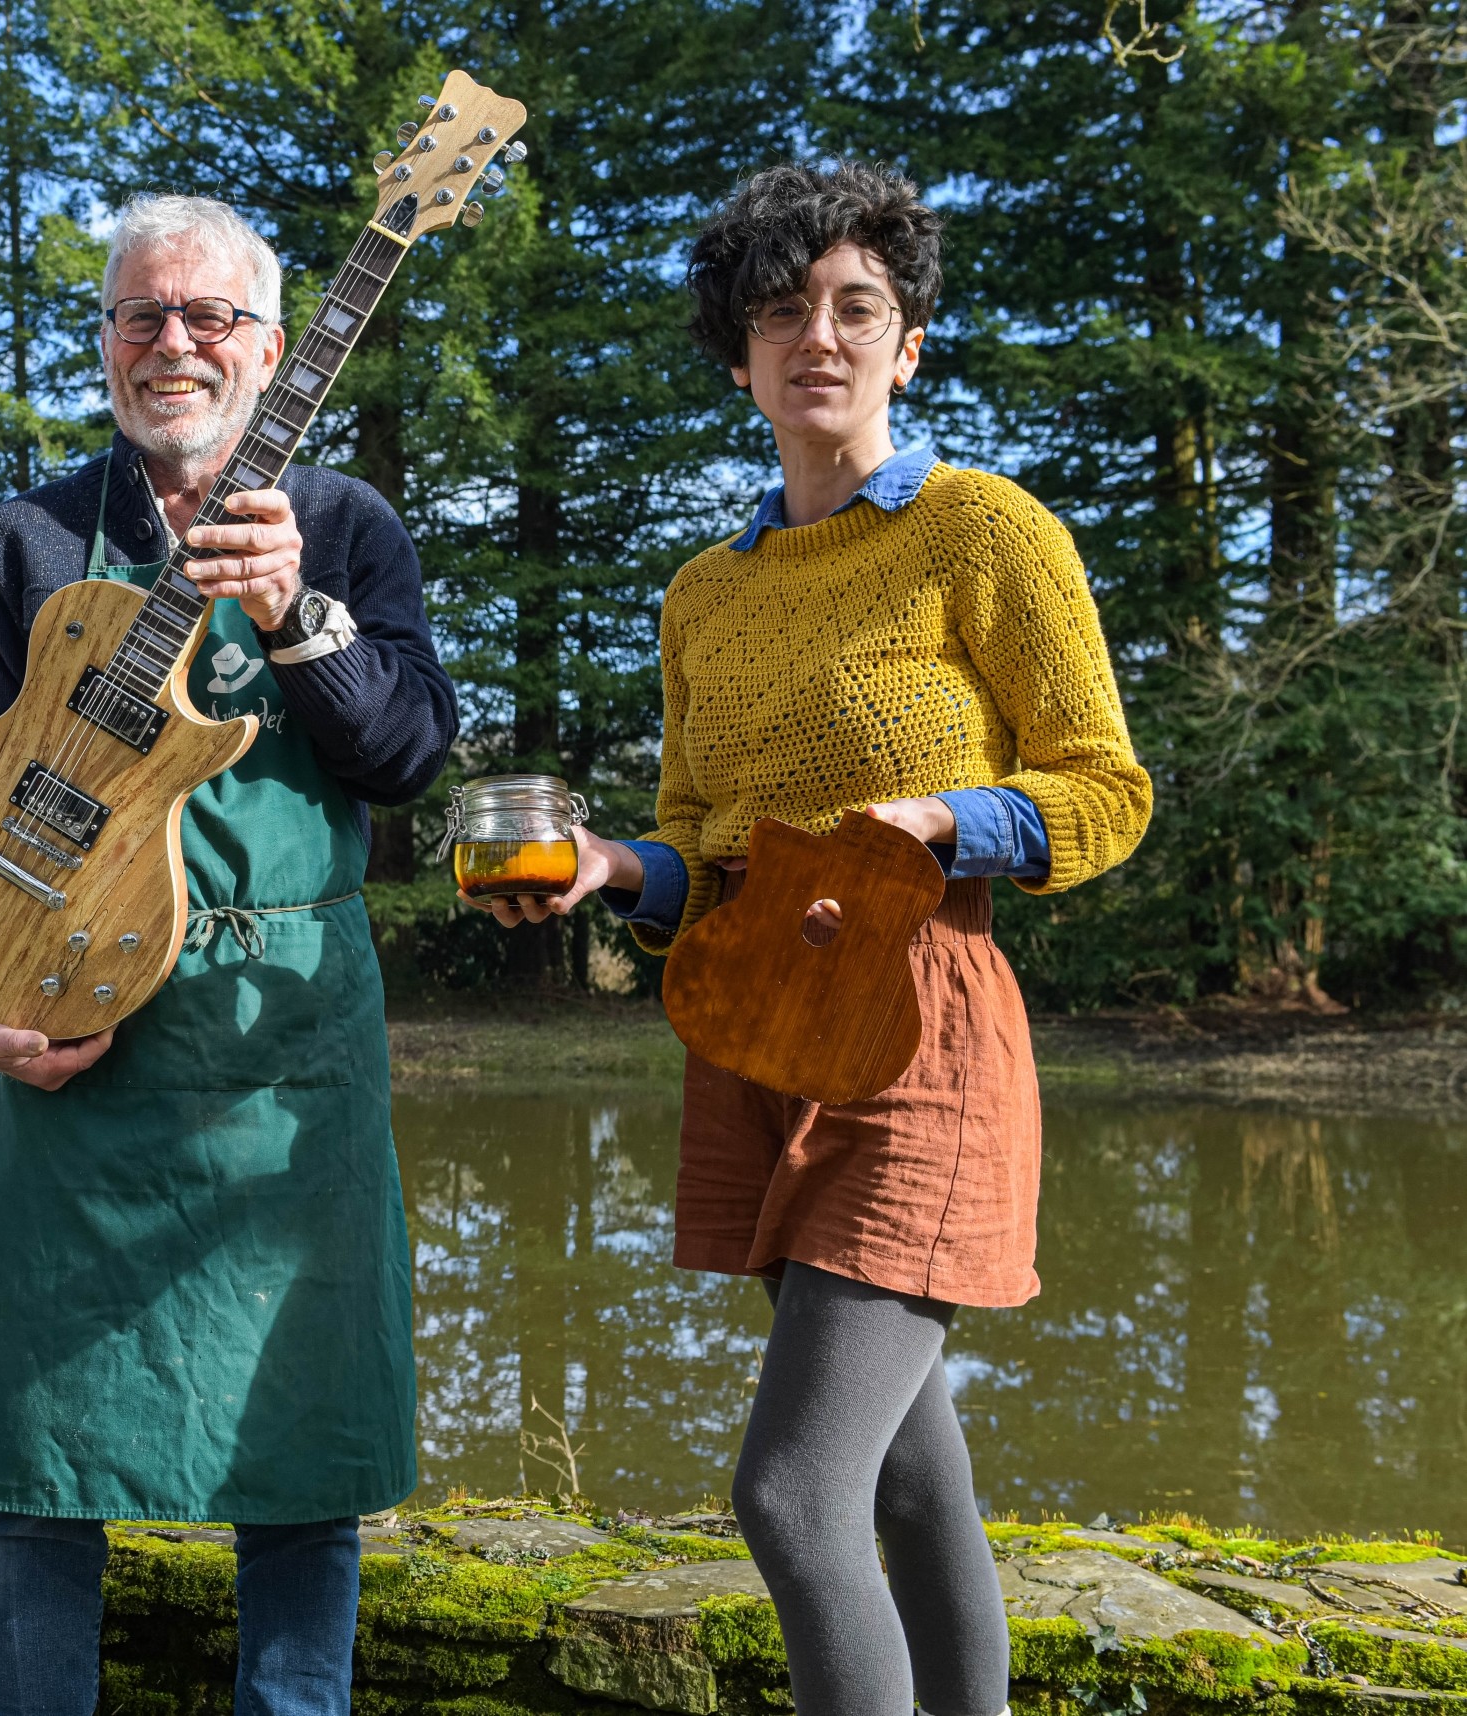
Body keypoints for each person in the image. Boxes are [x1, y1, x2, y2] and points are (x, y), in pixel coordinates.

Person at [471, 162, 1152, 1716]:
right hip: (759, 1037)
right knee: (907, 1492)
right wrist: (600, 871)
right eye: (782, 315)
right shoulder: (705, 594)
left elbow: (1105, 793)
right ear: (740, 359)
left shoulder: (986, 532)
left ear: (909, 344)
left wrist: (938, 822)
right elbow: (705, 855)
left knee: (788, 1495)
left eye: (858, 308)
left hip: (924, 1031)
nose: (820, 339)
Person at [0, 193, 457, 1716]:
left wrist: (299, 611)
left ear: (273, 345)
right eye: (142, 314)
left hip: (291, 1052)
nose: (175, 341)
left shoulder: (349, 525)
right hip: (82, 1035)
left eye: (209, 315)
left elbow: (411, 756)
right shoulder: (22, 539)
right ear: (106, 340)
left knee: (302, 1457)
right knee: (37, 1460)